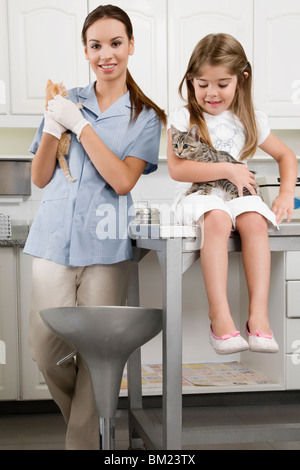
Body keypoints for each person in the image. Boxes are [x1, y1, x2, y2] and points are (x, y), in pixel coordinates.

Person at [24, 4, 166, 450]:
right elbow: (40, 176)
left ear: (131, 47)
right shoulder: (68, 98)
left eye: (115, 43)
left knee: (97, 355)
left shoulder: (144, 116)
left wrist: (81, 127)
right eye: (96, 45)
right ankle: (86, 433)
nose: (106, 54)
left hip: (106, 248)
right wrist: (53, 122)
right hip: (52, 243)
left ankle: (84, 445)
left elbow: (123, 180)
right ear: (85, 50)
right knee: (47, 353)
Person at [167, 33, 297, 356]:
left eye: (222, 84)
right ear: (191, 81)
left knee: (254, 219)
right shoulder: (184, 117)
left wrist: (284, 194)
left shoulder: (250, 118)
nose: (211, 93)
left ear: (242, 79)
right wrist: (229, 170)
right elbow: (178, 169)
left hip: (238, 198)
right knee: (218, 217)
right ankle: (219, 314)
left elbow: (287, 156)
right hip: (203, 196)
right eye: (202, 84)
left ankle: (258, 316)